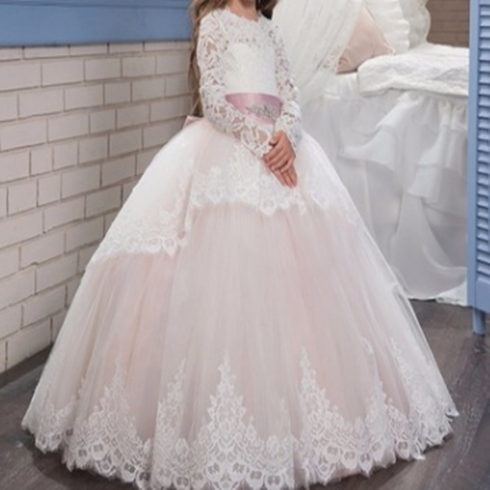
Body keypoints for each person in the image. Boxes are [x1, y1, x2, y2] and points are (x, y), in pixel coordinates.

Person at [22, 0, 457, 488]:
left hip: (281, 150)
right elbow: (213, 98)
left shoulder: (270, 30)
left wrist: (287, 136)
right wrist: (262, 144)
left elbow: (290, 94)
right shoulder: (214, 24)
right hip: (231, 150)